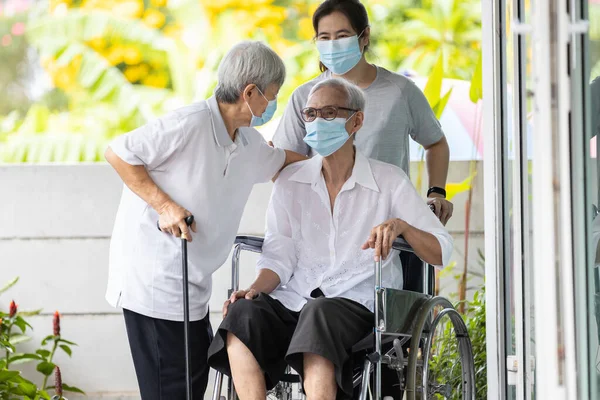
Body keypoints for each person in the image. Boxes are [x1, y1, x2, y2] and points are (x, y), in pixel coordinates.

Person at [208, 78, 453, 400]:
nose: (317, 121)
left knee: (319, 313)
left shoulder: (389, 180)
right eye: (310, 114)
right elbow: (279, 253)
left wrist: (402, 226)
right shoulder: (290, 181)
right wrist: (255, 289)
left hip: (360, 307)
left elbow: (441, 251)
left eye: (329, 112)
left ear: (357, 120)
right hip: (296, 300)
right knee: (243, 312)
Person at [104, 41, 306, 399]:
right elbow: (119, 152)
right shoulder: (190, 123)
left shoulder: (248, 142)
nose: (273, 103)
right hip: (155, 283)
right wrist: (164, 205)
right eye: (272, 95)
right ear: (250, 92)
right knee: (171, 391)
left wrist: (336, 160)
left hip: (193, 290)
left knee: (194, 385)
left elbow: (283, 160)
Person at [273, 0, 453, 225]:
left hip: (387, 224)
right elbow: (283, 163)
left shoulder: (400, 92)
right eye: (325, 37)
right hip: (325, 224)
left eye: (342, 36)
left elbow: (436, 143)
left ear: (364, 36)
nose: (333, 45)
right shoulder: (305, 96)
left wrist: (436, 192)